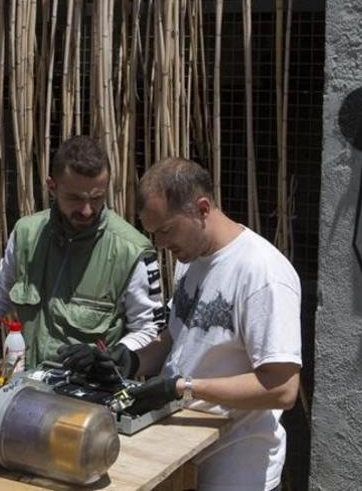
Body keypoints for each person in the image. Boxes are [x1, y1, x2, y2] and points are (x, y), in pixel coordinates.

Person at [62, 157, 301, 490]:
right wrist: (127, 359)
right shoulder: (192, 260)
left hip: (238, 468)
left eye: (166, 229)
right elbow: (175, 339)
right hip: (183, 452)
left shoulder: (263, 273)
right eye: (153, 232)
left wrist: (182, 388)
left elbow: (282, 388)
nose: (159, 243)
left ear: (202, 209)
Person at [0, 135, 166, 367]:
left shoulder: (132, 251)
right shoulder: (26, 234)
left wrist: (109, 357)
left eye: (97, 198)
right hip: (28, 383)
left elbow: (150, 330)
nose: (86, 210)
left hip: (92, 390)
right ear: (52, 186)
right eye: (75, 198)